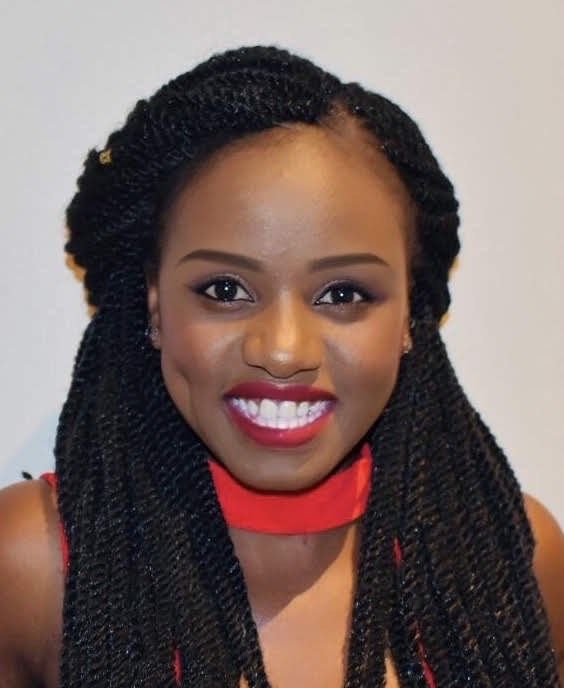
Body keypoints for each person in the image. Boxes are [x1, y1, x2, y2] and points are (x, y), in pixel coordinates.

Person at [0, 45, 562, 688]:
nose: (284, 350)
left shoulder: (516, 560)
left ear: (411, 312)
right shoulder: (34, 567)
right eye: (225, 290)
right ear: (154, 304)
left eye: (343, 294)